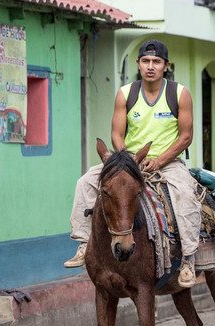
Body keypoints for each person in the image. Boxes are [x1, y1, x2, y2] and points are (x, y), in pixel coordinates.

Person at [65, 40, 202, 288]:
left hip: (167, 162)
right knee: (85, 182)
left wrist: (159, 160)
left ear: (165, 66)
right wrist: (125, 160)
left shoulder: (179, 93)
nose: (151, 66)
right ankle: (84, 244)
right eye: (146, 61)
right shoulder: (125, 93)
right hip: (130, 161)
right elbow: (117, 133)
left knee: (185, 195)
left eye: (156, 62)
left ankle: (189, 260)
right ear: (139, 64)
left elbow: (186, 136)